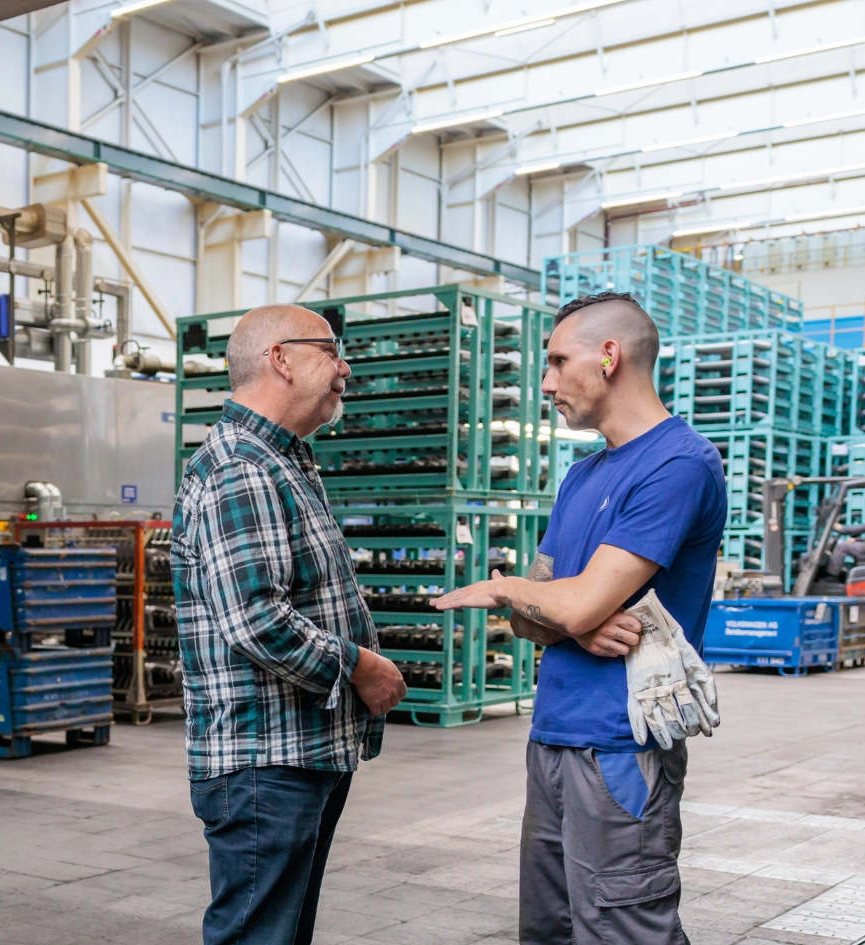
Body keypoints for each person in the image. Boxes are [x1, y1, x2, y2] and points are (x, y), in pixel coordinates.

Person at [432, 291, 726, 945]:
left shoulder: (678, 464)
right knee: (550, 930)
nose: (546, 381)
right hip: (554, 738)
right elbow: (543, 612)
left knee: (624, 930)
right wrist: (568, 617)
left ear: (610, 356)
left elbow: (558, 599)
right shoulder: (580, 475)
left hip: (621, 748)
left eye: (559, 360)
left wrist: (510, 589)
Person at [172, 303, 408, 945]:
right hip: (263, 763)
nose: (345, 368)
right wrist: (362, 666)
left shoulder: (283, 460)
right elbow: (255, 619)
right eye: (331, 352)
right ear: (280, 358)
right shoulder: (243, 467)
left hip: (296, 753)